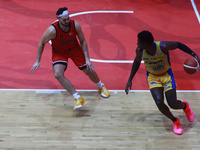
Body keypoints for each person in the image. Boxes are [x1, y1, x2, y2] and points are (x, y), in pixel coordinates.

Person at [30, 7, 110, 110]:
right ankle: (78, 98)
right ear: (58, 19)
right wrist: (37, 61)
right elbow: (41, 43)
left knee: (88, 70)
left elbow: (83, 41)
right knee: (58, 74)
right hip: (59, 52)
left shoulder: (75, 25)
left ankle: (100, 86)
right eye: (64, 19)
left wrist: (87, 59)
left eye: (68, 18)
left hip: (74, 49)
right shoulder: (52, 30)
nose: (67, 21)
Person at [125, 30, 199, 135]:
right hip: (153, 77)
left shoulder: (163, 46)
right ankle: (175, 121)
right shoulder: (140, 51)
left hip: (166, 75)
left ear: (145, 43)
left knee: (173, 104)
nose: (137, 44)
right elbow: (136, 62)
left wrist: (193, 54)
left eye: (139, 41)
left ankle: (185, 106)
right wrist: (130, 80)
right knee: (159, 102)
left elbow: (178, 45)